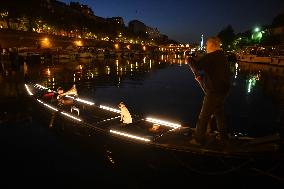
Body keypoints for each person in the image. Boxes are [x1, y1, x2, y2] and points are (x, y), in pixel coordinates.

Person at [189, 36, 231, 145]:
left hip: (214, 91)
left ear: (211, 44)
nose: (206, 47)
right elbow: (214, 73)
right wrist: (202, 79)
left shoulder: (212, 56)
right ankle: (223, 136)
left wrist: (189, 60)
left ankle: (198, 139)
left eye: (207, 45)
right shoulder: (222, 56)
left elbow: (197, 66)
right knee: (219, 112)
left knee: (204, 116)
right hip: (223, 89)